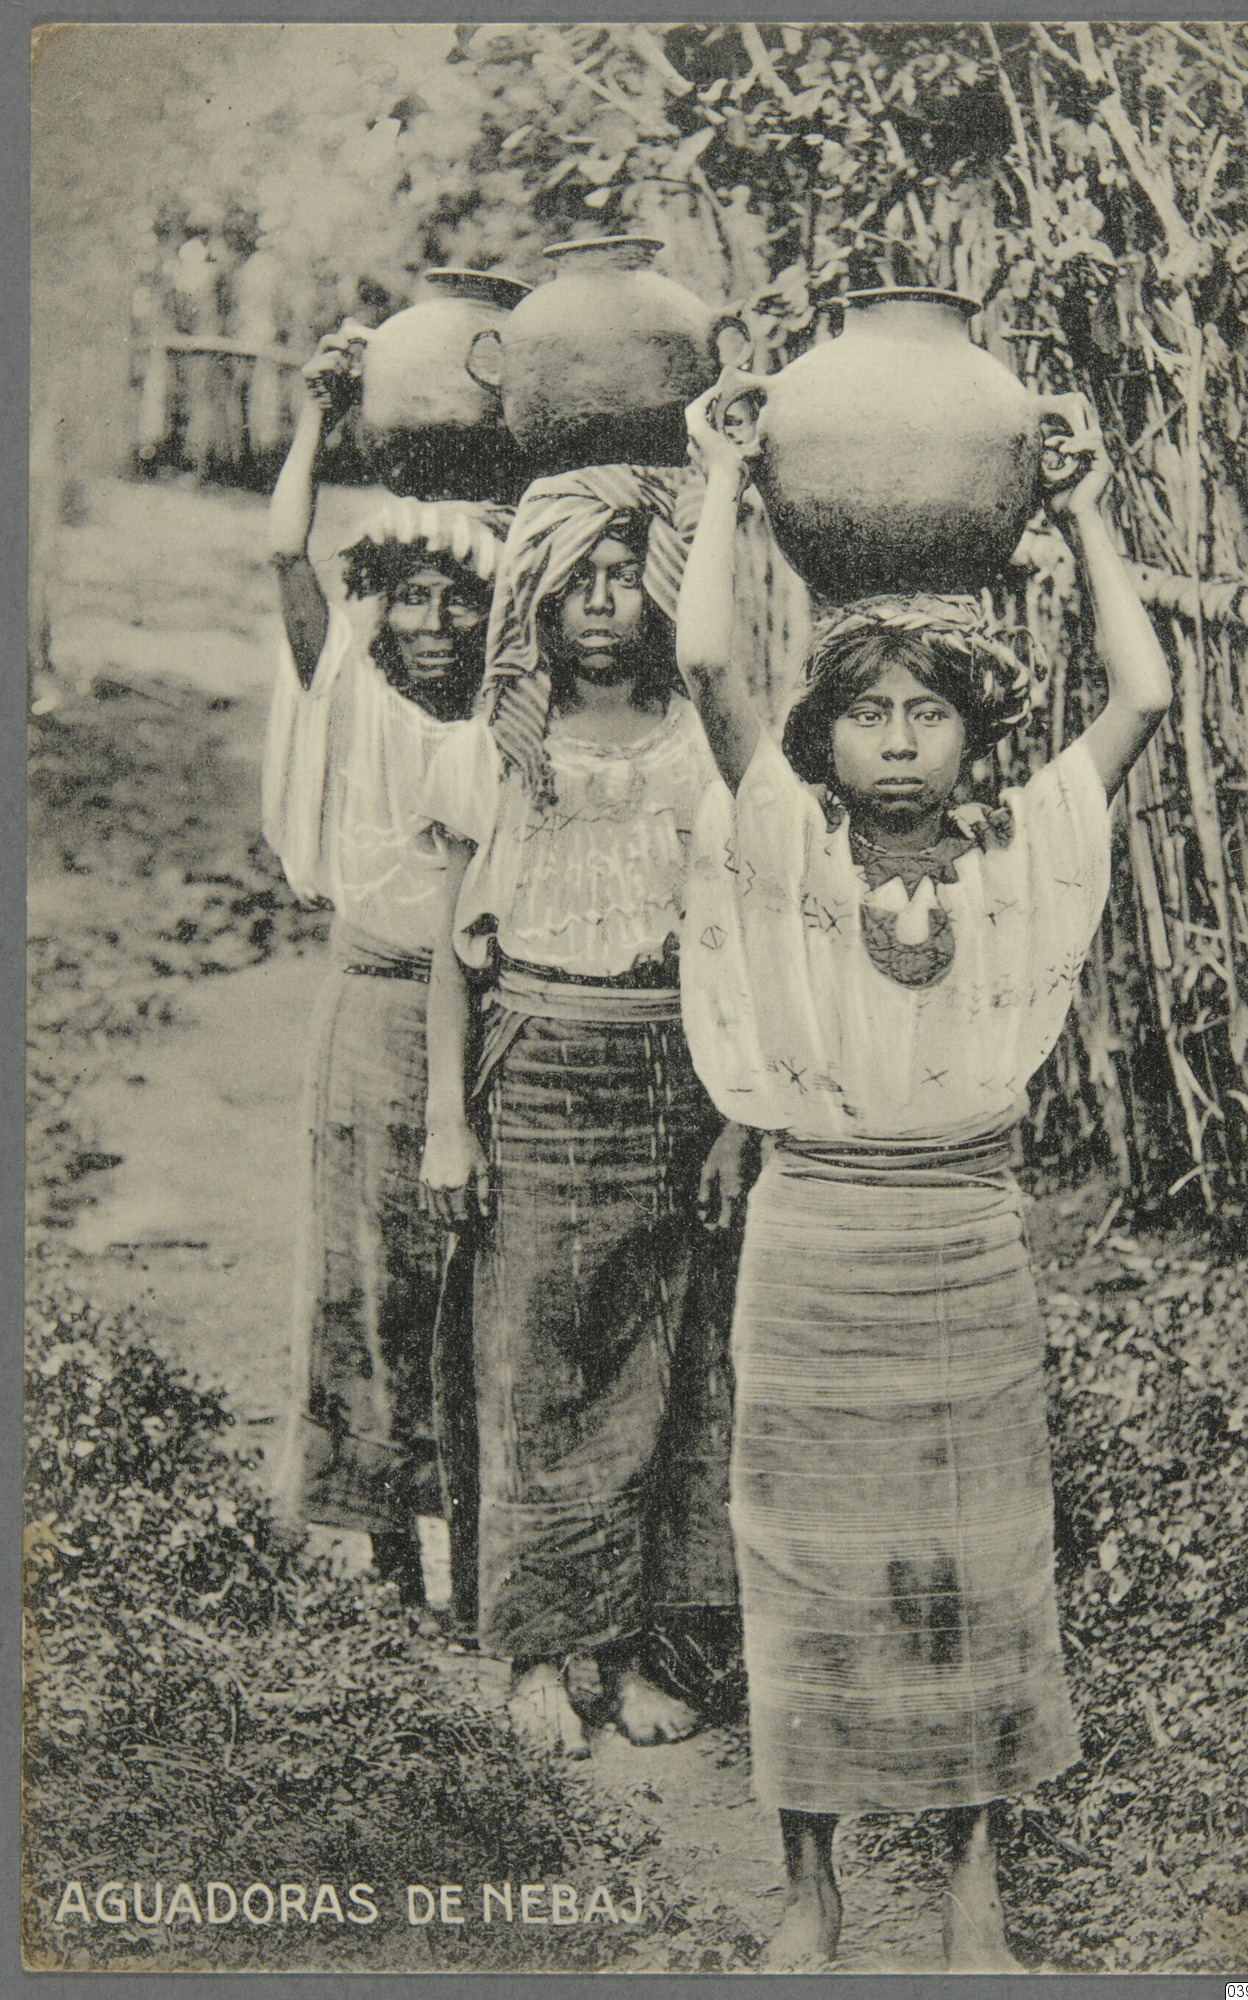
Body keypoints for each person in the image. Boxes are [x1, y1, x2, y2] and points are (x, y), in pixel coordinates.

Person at [674, 386, 1172, 1966]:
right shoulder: (787, 847)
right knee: (800, 1552)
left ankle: (971, 1883)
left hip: (962, 1237)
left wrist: (1083, 510)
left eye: (929, 714)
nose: (897, 740)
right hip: (814, 1235)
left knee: (976, 1558)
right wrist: (722, 478)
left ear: (975, 733)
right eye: (868, 715)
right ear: (820, 738)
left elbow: (1146, 691)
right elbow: (703, 659)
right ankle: (806, 1885)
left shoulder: (1021, 851)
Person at [416, 465, 747, 1757]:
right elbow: (453, 957)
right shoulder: (492, 751)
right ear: (535, 603)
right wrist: (448, 1122)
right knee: (534, 1367)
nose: (601, 604)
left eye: (622, 577)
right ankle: (539, 1652)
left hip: (674, 1070)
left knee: (668, 1365)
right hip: (538, 1071)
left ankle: (634, 1647)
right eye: (575, 584)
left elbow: (740, 943)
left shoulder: (699, 750)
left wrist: (738, 1118)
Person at [263, 325, 509, 1610]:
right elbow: (283, 552)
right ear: (380, 607)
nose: (433, 622)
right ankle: (384, 1543)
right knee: (371, 1265)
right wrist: (320, 416)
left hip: (491, 1021)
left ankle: (476, 1535)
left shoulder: (508, 719)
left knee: (474, 1278)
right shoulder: (350, 692)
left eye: (458, 598)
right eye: (411, 597)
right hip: (373, 1009)